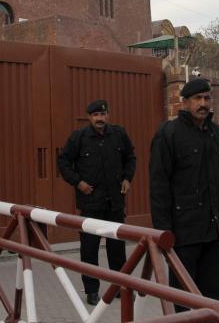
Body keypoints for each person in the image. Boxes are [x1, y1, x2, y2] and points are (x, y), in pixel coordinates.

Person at [148, 78, 219, 310]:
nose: (203, 103)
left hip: (214, 232)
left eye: (206, 98)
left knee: (214, 294)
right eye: (197, 99)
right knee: (182, 297)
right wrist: (164, 233)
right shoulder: (168, 134)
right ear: (184, 103)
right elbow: (159, 186)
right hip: (183, 234)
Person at [57, 99, 136, 306]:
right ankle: (92, 291)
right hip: (91, 204)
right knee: (89, 249)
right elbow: (63, 162)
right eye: (95, 115)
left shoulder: (119, 134)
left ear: (108, 115)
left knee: (117, 249)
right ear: (89, 117)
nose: (100, 119)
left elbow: (131, 157)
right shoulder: (79, 137)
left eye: (103, 115)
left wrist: (128, 178)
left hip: (115, 204)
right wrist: (78, 182)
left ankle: (119, 287)